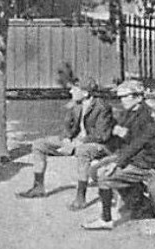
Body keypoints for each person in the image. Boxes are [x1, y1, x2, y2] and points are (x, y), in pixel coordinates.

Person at [84, 91, 155, 234]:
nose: (152, 115)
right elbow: (135, 145)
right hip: (146, 166)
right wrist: (116, 163)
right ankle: (106, 219)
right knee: (106, 176)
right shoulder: (152, 126)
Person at [17, 79, 115, 207]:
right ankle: (38, 187)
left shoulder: (102, 107)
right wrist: (66, 139)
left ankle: (81, 198)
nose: (70, 91)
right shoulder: (76, 105)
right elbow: (67, 127)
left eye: (74, 89)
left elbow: (101, 135)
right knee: (39, 144)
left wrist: (76, 144)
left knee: (83, 151)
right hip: (76, 141)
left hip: (99, 145)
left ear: (85, 93)